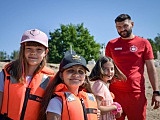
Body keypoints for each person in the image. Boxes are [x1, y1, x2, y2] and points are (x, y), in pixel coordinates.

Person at [105, 14, 160, 120]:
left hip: (136, 94)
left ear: (132, 24)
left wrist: (156, 92)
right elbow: (105, 68)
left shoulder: (143, 43)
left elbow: (151, 68)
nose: (122, 29)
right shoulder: (111, 44)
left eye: (125, 26)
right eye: (119, 27)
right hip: (115, 93)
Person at [0, 29, 55, 120]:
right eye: (29, 48)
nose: (33, 53)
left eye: (39, 49)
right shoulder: (5, 75)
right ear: (22, 49)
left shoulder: (51, 80)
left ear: (46, 52)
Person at [39, 50, 98, 120]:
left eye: (80, 71)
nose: (76, 74)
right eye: (70, 70)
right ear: (61, 75)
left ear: (85, 77)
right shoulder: (56, 102)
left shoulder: (88, 99)